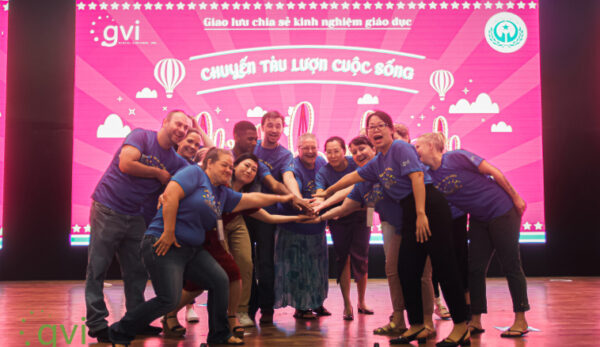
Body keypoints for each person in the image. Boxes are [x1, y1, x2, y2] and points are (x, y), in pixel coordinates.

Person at [108, 148, 298, 346]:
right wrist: (169, 232)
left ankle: (219, 336)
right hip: (165, 243)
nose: (228, 170)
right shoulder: (194, 174)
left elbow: (252, 200)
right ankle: (120, 332)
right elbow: (171, 194)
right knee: (168, 299)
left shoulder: (222, 193)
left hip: (192, 249)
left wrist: (283, 198)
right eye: (224, 165)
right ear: (208, 163)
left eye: (230, 167)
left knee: (220, 280)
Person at [314, 111, 469, 347]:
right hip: (409, 212)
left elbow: (417, 177)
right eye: (370, 127)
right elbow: (353, 179)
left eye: (380, 126)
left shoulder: (399, 148)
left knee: (444, 268)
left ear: (390, 129)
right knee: (407, 270)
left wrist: (420, 214)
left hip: (428, 207)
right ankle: (415, 325)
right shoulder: (378, 162)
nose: (375, 130)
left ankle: (461, 328)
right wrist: (325, 192)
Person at [310, 136, 435, 336]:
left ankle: (427, 323)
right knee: (393, 272)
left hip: (418, 224)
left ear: (373, 149)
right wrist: (320, 215)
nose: (359, 154)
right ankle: (399, 320)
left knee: (422, 275)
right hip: (396, 227)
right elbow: (344, 205)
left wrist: (421, 214)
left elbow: (419, 178)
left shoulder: (387, 164)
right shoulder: (364, 180)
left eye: (363, 149)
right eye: (355, 151)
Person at [85, 110, 192, 342]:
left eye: (186, 128)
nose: (182, 130)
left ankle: (135, 321)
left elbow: (194, 179)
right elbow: (126, 163)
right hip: (108, 208)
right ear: (165, 122)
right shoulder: (141, 136)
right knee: (98, 269)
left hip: (137, 218)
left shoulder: (178, 162)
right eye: (179, 124)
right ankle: (96, 323)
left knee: (137, 273)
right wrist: (158, 173)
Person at [415, 132, 530, 338]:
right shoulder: (428, 175)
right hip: (479, 219)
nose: (416, 152)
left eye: (418, 147)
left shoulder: (457, 157)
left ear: (431, 146)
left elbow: (493, 172)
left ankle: (521, 320)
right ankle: (475, 320)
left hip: (502, 210)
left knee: (511, 265)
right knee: (475, 269)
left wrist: (515, 197)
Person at [245, 112, 309, 324]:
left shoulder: (285, 155)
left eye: (278, 126)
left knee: (265, 263)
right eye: (270, 125)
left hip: (268, 215)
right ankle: (246, 307)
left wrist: (297, 199)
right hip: (243, 213)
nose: (274, 130)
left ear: (283, 129)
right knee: (245, 263)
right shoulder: (251, 148)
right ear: (261, 127)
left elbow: (288, 177)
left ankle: (266, 309)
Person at [274, 133, 330, 319]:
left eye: (313, 147)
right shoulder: (292, 166)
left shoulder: (322, 162)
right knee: (297, 269)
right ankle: (301, 307)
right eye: (305, 148)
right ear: (298, 149)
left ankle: (316, 303)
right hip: (294, 227)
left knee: (317, 269)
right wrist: (303, 203)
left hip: (317, 227)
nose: (310, 151)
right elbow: (292, 188)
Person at [315, 136, 371, 320]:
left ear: (343, 151)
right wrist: (317, 203)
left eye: (336, 151)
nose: (332, 155)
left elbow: (360, 189)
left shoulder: (355, 162)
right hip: (337, 218)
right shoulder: (323, 171)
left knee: (361, 258)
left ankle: (361, 301)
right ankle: (347, 304)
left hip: (361, 215)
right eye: (328, 152)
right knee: (343, 258)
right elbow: (320, 193)